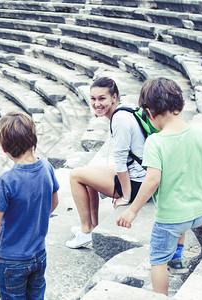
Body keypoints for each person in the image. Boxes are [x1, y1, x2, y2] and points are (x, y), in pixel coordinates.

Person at [116, 77, 202, 295]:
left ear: (149, 112)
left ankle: (160, 296)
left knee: (157, 259)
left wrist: (132, 210)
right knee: (180, 228)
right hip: (200, 211)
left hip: (172, 217)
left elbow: (152, 181)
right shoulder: (200, 132)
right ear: (181, 105)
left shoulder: (155, 142)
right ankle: (177, 265)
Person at [65, 77, 147, 249]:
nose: (96, 104)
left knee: (75, 175)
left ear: (113, 97)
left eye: (102, 98)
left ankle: (86, 231)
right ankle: (92, 226)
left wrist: (126, 197)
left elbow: (121, 162)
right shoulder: (124, 110)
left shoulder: (120, 120)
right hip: (139, 173)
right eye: (93, 99)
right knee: (88, 170)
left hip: (138, 183)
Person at [0, 111, 59, 299]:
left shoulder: (6, 181)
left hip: (11, 260)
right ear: (34, 139)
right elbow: (54, 202)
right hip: (39, 254)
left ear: (3, 147)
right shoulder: (47, 168)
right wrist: (34, 217)